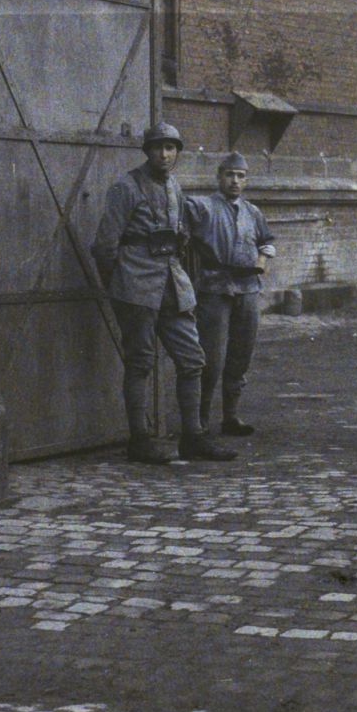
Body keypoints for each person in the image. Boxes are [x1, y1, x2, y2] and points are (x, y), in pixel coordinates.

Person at [90, 123, 236, 465]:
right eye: (158, 147)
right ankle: (139, 440)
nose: (165, 154)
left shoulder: (175, 186)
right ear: (147, 151)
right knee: (140, 362)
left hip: (172, 283)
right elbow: (104, 246)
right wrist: (119, 284)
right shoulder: (125, 187)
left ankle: (193, 436)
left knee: (192, 359)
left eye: (171, 148)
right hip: (136, 284)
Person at [188, 152, 276, 437]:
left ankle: (231, 416)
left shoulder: (253, 212)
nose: (234, 181)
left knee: (241, 354)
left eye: (240, 176)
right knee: (211, 357)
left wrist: (262, 260)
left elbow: (266, 242)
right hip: (214, 289)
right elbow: (182, 213)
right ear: (219, 177)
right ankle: (199, 419)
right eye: (229, 175)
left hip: (248, 289)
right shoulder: (205, 207)